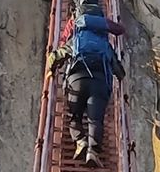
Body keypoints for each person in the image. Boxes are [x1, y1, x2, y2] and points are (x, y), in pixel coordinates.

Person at [51, 9, 124, 161]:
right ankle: (93, 152)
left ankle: (80, 141)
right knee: (95, 119)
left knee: (75, 116)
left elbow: (56, 56)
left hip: (77, 80)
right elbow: (120, 72)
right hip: (99, 83)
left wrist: (51, 70)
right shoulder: (105, 45)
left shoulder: (77, 39)